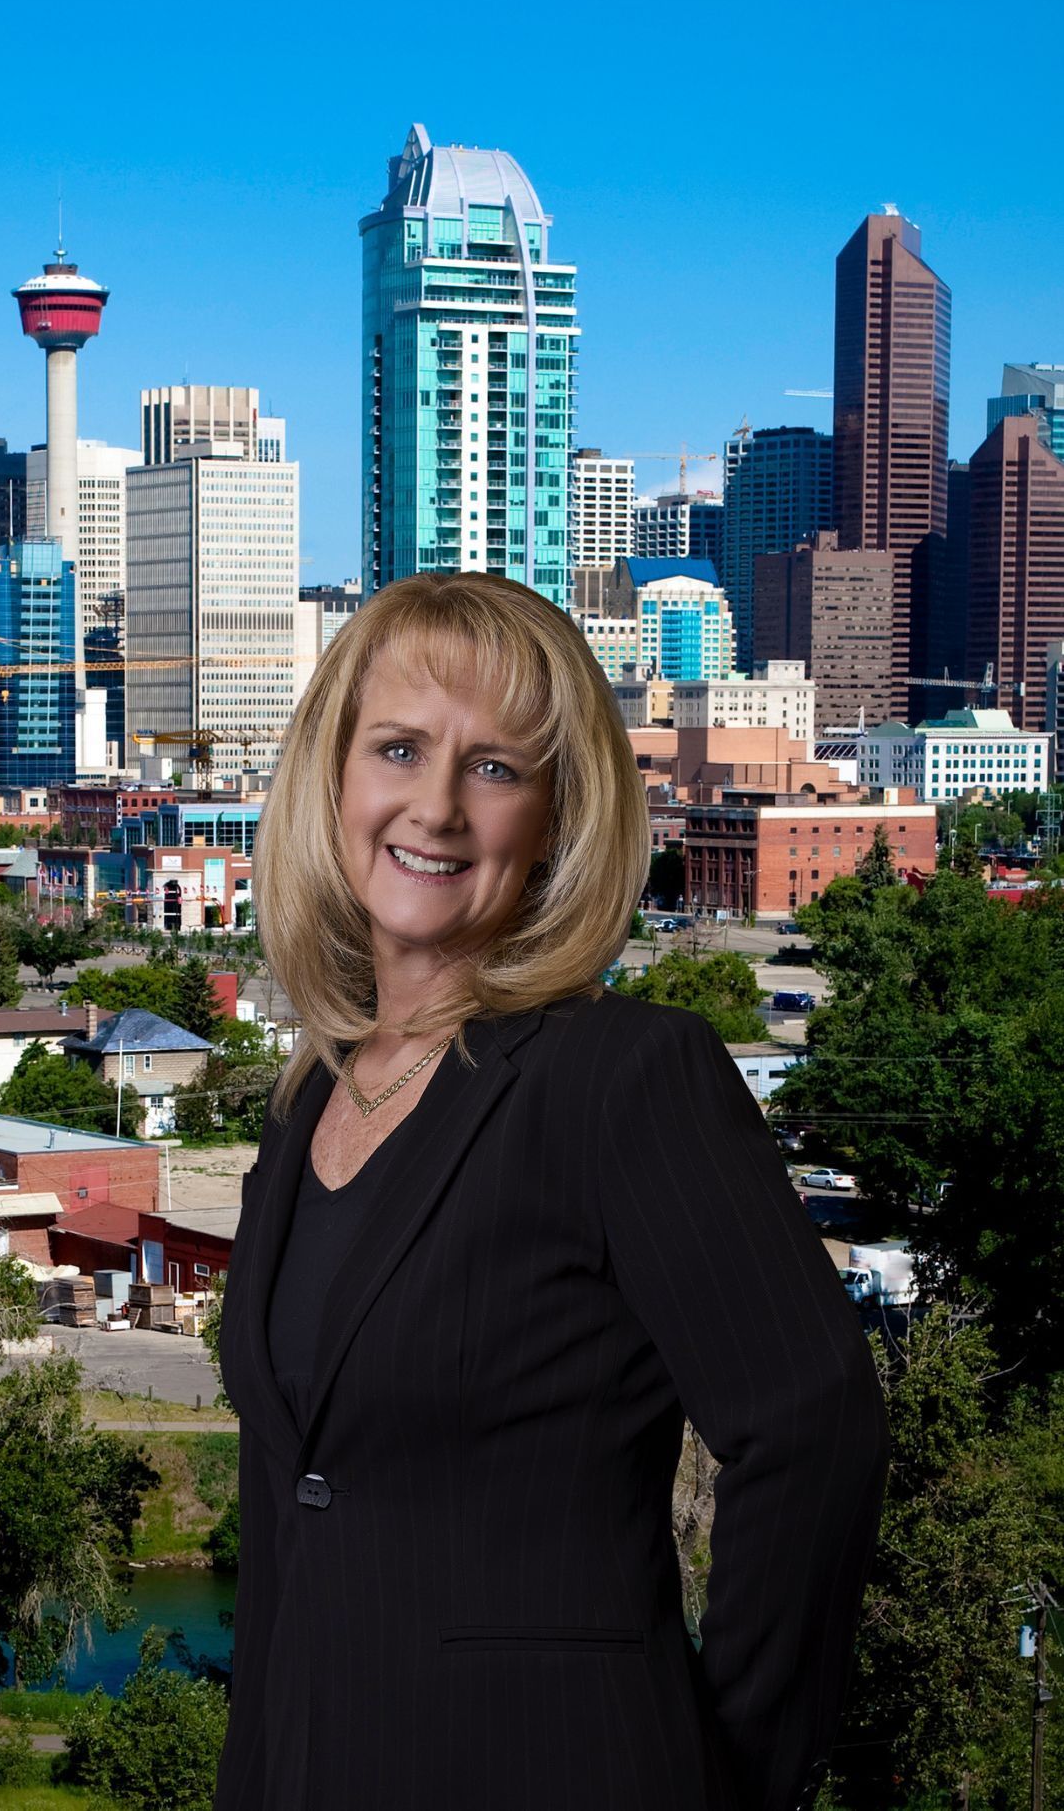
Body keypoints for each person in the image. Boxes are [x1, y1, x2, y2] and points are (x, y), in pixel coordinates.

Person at [214, 572, 890, 1811]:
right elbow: (293, 1507)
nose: (433, 807)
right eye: (400, 749)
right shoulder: (311, 1093)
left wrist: (728, 1777)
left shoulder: (624, 1078)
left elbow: (815, 1426)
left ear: (558, 818)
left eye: (494, 769)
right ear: (332, 776)